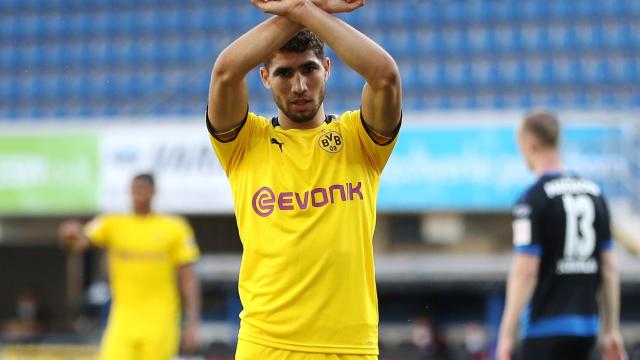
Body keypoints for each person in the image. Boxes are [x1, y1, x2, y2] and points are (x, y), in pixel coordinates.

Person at [207, 0, 402, 358]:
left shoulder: (361, 140)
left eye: (309, 69)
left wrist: (305, 10)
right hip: (266, 344)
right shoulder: (245, 143)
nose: (299, 85)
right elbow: (225, 73)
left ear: (327, 68)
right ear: (265, 77)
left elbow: (385, 75)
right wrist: (307, 8)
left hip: (350, 346)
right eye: (284, 73)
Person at [496, 111, 627, 360]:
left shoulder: (532, 200)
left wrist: (506, 334)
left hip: (544, 328)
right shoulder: (595, 194)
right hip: (586, 330)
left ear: (531, 145)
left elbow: (525, 272)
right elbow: (609, 268)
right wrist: (611, 330)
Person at [58, 173, 201, 360]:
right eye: (134, 189)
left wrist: (192, 325)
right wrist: (66, 234)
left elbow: (188, 280)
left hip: (161, 322)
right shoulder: (113, 223)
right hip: (122, 322)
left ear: (153, 192)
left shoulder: (175, 228)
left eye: (143, 189)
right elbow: (78, 244)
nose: (138, 194)